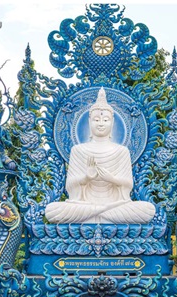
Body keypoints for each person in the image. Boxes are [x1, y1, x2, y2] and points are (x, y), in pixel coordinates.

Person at [45, 88, 156, 224]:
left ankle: (96, 215)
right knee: (52, 210)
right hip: (84, 207)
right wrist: (86, 177)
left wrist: (112, 179)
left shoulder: (121, 151)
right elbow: (70, 186)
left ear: (112, 123)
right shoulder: (78, 150)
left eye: (105, 119)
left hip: (115, 206)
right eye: (96, 119)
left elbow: (128, 185)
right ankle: (102, 214)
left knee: (147, 209)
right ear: (89, 122)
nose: (101, 123)